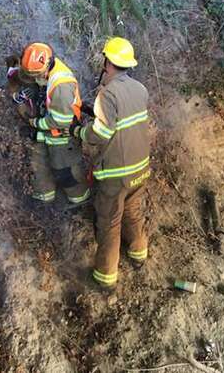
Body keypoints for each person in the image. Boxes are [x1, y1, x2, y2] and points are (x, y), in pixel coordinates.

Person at [71, 37, 150, 290]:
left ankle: (105, 278)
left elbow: (101, 134)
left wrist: (79, 132)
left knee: (109, 222)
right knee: (133, 211)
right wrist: (91, 111)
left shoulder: (108, 93)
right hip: (141, 169)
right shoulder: (140, 89)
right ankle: (138, 253)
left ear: (108, 62)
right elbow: (122, 121)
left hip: (117, 175)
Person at [12, 42, 91, 206]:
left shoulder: (61, 86)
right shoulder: (48, 65)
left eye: (35, 76)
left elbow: (61, 121)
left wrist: (35, 122)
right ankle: (44, 199)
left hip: (62, 136)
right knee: (38, 165)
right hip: (47, 132)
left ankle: (80, 201)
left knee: (65, 173)